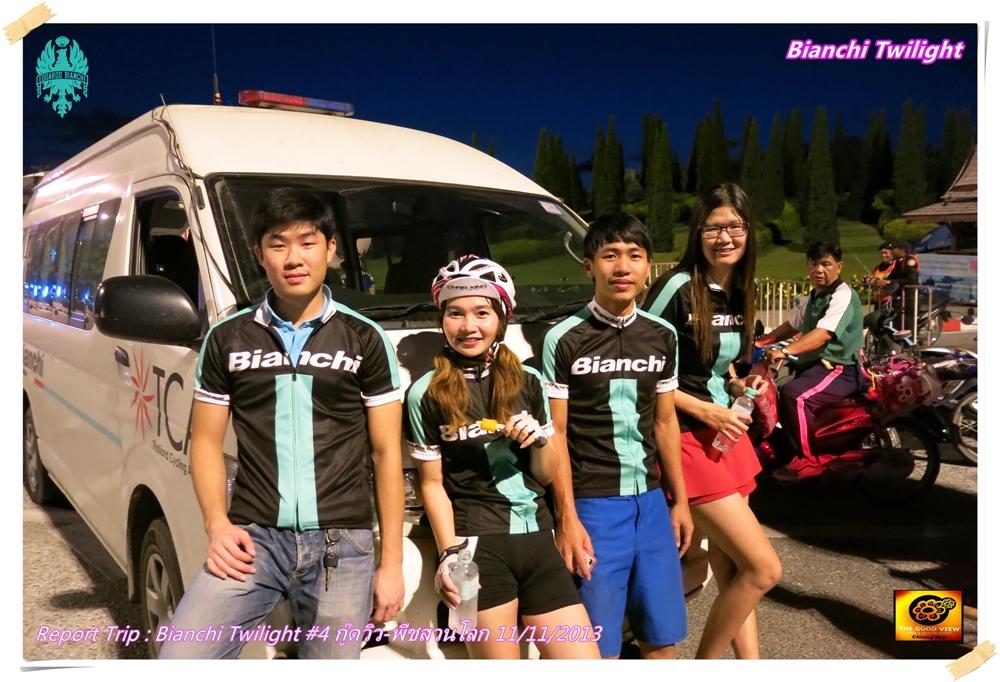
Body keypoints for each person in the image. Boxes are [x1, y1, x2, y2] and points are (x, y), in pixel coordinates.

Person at [160, 188, 405, 659]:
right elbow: (205, 442)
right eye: (278, 244)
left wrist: (390, 562)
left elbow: (386, 453)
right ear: (259, 255)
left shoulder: (365, 338)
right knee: (181, 657)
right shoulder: (227, 337)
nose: (294, 258)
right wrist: (217, 524)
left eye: (307, 242)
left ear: (330, 250)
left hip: (342, 545)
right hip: (254, 539)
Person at [405, 255, 600, 659]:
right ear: (442, 320)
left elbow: (546, 474)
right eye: (455, 314)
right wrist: (449, 553)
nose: (468, 326)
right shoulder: (425, 393)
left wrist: (540, 443)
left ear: (501, 318)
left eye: (482, 312)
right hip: (476, 550)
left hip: (538, 540)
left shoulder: (530, 381)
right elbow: (432, 483)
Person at [641, 183, 783, 659]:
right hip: (685, 439)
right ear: (697, 233)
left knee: (733, 568)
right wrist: (700, 407)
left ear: (749, 230)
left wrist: (742, 385)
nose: (725, 238)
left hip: (726, 435)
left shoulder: (741, 288)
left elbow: (723, 368)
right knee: (764, 569)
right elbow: (637, 365)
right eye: (713, 228)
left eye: (735, 227)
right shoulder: (676, 287)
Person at [542, 213, 692, 660]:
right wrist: (567, 518)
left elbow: (665, 422)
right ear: (589, 266)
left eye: (634, 256)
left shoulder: (663, 335)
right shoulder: (562, 338)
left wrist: (680, 501)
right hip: (594, 508)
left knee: (662, 640)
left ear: (649, 266)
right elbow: (557, 434)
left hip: (652, 504)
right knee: (597, 649)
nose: (623, 267)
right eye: (610, 256)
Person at [760, 242, 866, 481]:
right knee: (778, 390)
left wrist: (785, 351)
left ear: (839, 267)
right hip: (816, 367)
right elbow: (792, 326)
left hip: (839, 369)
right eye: (814, 264)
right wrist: (759, 343)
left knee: (794, 395)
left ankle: (808, 460)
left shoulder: (842, 295)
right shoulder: (815, 295)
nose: (819, 269)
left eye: (826, 264)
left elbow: (823, 334)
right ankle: (788, 449)